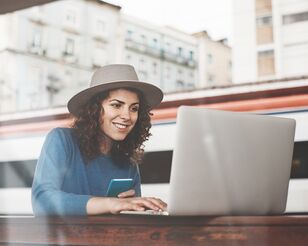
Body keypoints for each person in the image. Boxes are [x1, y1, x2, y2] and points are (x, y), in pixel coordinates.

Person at [31, 64, 167, 215]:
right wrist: (110, 204)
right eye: (116, 105)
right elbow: (42, 201)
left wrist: (141, 208)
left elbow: (131, 219)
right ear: (94, 109)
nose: (127, 116)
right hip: (65, 238)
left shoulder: (128, 161)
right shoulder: (62, 140)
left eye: (134, 108)